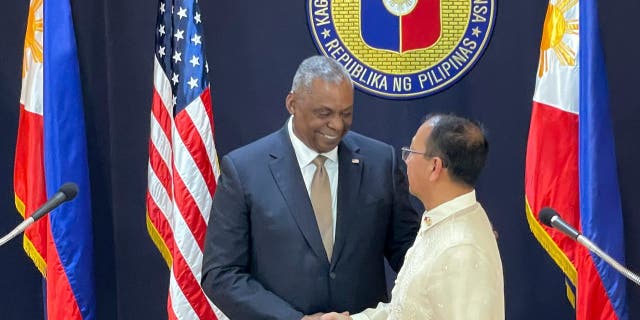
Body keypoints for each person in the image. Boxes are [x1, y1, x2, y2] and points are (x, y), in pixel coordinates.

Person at [201, 55, 421, 320]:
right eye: (324, 113)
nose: (337, 125)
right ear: (292, 103)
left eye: (346, 113)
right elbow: (221, 274)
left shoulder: (380, 162)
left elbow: (410, 253)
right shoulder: (244, 170)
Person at [323, 114, 504, 320]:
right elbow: (406, 309)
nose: (406, 161)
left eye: (410, 152)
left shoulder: (461, 249)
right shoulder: (439, 222)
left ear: (434, 167)